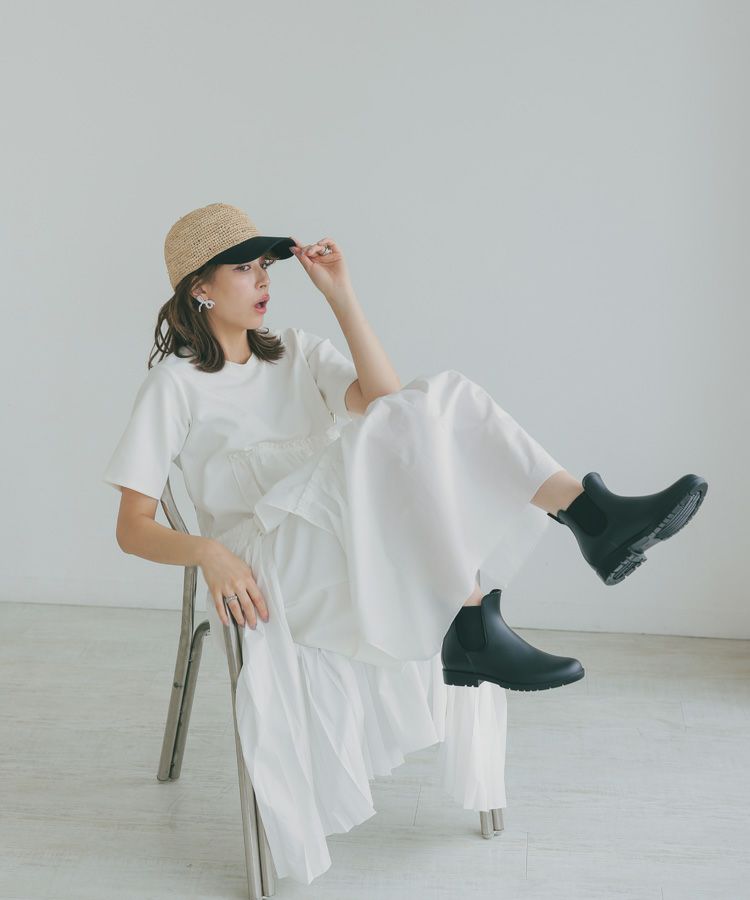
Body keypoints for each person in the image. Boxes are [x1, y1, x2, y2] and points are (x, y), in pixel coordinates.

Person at [102, 202, 708, 883]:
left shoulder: (297, 351)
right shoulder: (174, 385)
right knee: (382, 438)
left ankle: (586, 519)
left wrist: (341, 295)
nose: (264, 279)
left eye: (266, 264)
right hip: (262, 567)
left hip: (344, 539)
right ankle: (521, 584)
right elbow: (132, 527)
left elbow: (393, 406)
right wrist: (208, 553)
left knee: (445, 395)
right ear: (201, 288)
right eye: (243, 268)